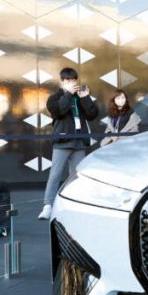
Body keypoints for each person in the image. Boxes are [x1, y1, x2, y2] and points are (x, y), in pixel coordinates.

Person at [38, 68, 99, 220]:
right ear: (62, 82)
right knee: (55, 174)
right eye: (67, 80)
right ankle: (48, 206)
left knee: (76, 175)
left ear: (76, 80)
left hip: (79, 140)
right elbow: (59, 111)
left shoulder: (81, 96)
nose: (71, 83)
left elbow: (92, 115)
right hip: (63, 141)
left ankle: (75, 204)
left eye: (73, 80)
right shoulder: (55, 98)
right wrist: (67, 94)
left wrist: (86, 98)